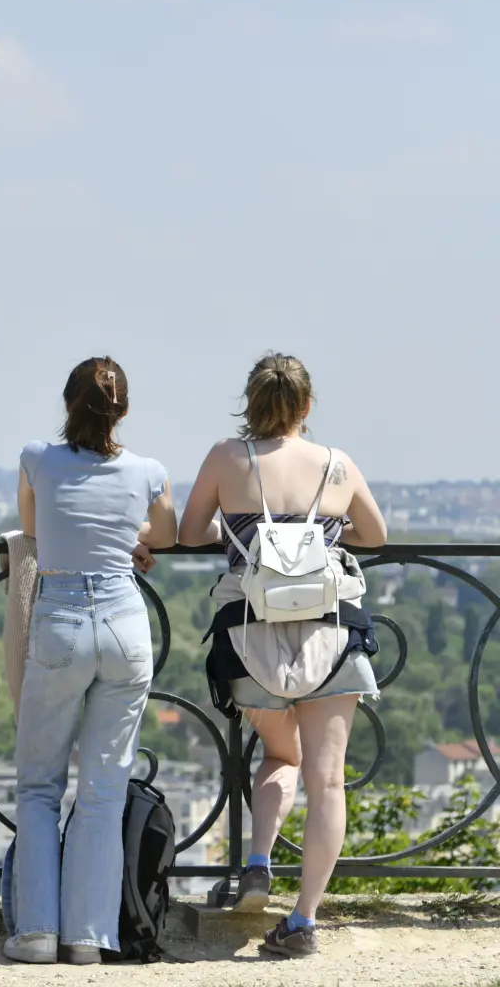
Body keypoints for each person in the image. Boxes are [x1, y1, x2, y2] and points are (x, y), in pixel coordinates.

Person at [172, 353, 386, 958]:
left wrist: (238, 534)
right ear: (307, 407)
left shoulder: (226, 458)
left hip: (252, 636)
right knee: (327, 780)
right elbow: (376, 535)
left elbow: (190, 533)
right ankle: (302, 921)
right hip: (331, 635)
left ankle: (258, 860)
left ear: (250, 402)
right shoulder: (337, 466)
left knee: (277, 754)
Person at [4, 358, 175, 965]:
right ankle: (88, 939)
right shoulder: (148, 471)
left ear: (67, 403)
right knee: (103, 789)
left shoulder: (36, 459)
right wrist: (136, 543)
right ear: (123, 408)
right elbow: (168, 533)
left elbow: (32, 531)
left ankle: (36, 933)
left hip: (61, 620)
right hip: (127, 622)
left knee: (39, 786)